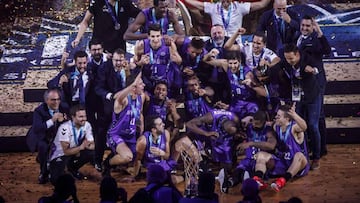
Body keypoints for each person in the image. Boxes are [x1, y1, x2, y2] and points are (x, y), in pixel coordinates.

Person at [296, 15, 331, 158]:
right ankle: (311, 147)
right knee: (305, 115)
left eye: (308, 26)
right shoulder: (297, 37)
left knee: (318, 116)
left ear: (313, 27)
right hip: (302, 83)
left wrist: (320, 33)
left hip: (317, 82)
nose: (304, 28)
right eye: (303, 25)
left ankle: (321, 149)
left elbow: (327, 50)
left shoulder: (316, 39)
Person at [252, 104, 309, 192]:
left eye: (278, 116)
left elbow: (304, 127)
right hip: (283, 161)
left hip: (298, 164)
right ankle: (258, 180)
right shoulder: (276, 126)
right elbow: (268, 123)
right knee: (261, 155)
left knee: (299, 156)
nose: (276, 117)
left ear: (286, 119)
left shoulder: (294, 128)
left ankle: (282, 181)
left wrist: (294, 115)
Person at [282, 44, 322, 170]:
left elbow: (316, 69)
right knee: (298, 125)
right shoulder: (287, 62)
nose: (289, 61)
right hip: (298, 97)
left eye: (291, 59)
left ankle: (316, 157)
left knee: (312, 125)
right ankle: (302, 152)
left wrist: (313, 70)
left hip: (312, 97)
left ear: (297, 55)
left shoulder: (307, 59)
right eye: (287, 59)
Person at [218, 110, 276, 193]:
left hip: (260, 160)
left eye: (257, 123)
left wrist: (251, 143)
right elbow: (237, 124)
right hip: (248, 159)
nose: (254, 125)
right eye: (253, 122)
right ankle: (227, 184)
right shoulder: (248, 128)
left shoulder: (268, 131)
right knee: (239, 171)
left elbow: (271, 145)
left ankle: (247, 181)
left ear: (263, 122)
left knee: (250, 173)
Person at [102, 73, 146, 176]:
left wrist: (141, 129)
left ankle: (122, 162)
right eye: (140, 83)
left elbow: (140, 113)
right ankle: (107, 163)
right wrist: (131, 85)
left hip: (130, 135)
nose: (144, 85)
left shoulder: (141, 97)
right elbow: (118, 98)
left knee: (142, 149)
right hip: (116, 134)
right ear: (133, 87)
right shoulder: (124, 100)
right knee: (127, 157)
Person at [94, 48, 131, 171]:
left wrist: (128, 71)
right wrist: (110, 96)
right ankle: (98, 161)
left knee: (121, 135)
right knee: (102, 134)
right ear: (112, 59)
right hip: (107, 109)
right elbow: (98, 88)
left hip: (125, 110)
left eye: (121, 60)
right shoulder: (105, 68)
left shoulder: (127, 69)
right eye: (116, 60)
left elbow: (131, 85)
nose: (118, 63)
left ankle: (114, 161)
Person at [26, 88, 68, 184]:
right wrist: (52, 120)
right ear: (46, 100)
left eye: (58, 99)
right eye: (53, 100)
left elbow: (71, 123)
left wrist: (64, 121)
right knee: (43, 147)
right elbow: (37, 128)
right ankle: (43, 172)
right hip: (42, 136)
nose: (56, 102)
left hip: (58, 136)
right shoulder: (39, 110)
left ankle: (62, 168)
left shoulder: (64, 107)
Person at [48, 105, 95, 185]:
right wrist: (81, 147)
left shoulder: (87, 125)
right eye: (80, 117)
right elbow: (65, 152)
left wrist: (88, 146)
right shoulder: (64, 128)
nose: (84, 119)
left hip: (74, 151)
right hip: (60, 155)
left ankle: (72, 169)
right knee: (56, 180)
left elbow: (92, 144)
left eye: (85, 116)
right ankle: (50, 168)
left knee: (92, 153)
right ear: (73, 117)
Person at [184, 0, 271, 42]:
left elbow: (262, 4)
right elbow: (197, 4)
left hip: (236, 42)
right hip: (218, 42)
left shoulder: (240, 7)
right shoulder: (213, 7)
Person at [71, 0, 140, 53]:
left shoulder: (125, 2)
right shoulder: (97, 2)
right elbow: (85, 21)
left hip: (119, 46)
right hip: (100, 46)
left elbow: (141, 16)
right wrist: (78, 38)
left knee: (118, 70)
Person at [186, 109, 240, 173]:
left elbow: (240, 132)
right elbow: (189, 124)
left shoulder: (235, 119)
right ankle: (203, 157)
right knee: (192, 134)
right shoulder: (210, 117)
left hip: (224, 141)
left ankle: (216, 158)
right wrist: (206, 133)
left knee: (228, 168)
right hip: (206, 135)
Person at [134, 23, 182, 94]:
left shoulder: (168, 44)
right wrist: (140, 63)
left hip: (164, 80)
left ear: (161, 36)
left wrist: (174, 58)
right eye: (153, 36)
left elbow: (179, 61)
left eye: (158, 36)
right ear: (148, 36)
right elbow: (135, 65)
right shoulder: (141, 46)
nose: (156, 39)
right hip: (148, 80)